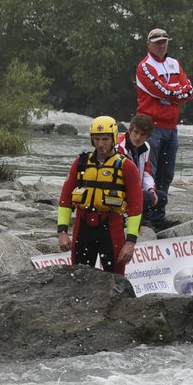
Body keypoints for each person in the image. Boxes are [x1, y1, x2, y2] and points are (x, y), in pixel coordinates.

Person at [56, 115, 144, 275]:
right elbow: (65, 199)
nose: (101, 144)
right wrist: (62, 232)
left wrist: (130, 242)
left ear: (114, 138)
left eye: (105, 139)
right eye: (96, 139)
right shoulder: (81, 163)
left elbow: (136, 207)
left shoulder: (127, 166)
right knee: (79, 278)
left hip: (111, 227)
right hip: (83, 228)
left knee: (116, 280)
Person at [134, 27, 193, 228]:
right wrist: (176, 92)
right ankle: (141, 215)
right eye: (157, 41)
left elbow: (190, 91)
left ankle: (158, 215)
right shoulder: (144, 67)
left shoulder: (174, 63)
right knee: (146, 171)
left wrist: (174, 92)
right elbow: (160, 90)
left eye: (164, 41)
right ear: (149, 44)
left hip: (171, 127)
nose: (161, 45)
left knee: (166, 174)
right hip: (151, 127)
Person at [116, 113, 155, 213]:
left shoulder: (146, 147)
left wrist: (151, 188)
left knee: (161, 197)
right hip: (118, 191)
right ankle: (129, 215)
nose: (138, 137)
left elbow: (146, 172)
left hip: (135, 188)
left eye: (142, 134)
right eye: (136, 132)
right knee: (148, 198)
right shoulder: (118, 147)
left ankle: (144, 217)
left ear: (147, 136)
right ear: (129, 131)